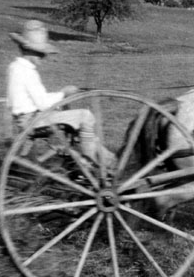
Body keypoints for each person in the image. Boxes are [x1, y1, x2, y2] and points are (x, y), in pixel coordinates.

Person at [7, 19, 114, 168]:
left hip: (24, 120)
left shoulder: (15, 67)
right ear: (29, 51)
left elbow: (32, 100)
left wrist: (59, 97)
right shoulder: (28, 72)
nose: (43, 58)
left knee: (73, 117)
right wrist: (63, 93)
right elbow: (43, 102)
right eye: (40, 54)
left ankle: (95, 155)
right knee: (86, 116)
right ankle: (92, 160)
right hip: (34, 122)